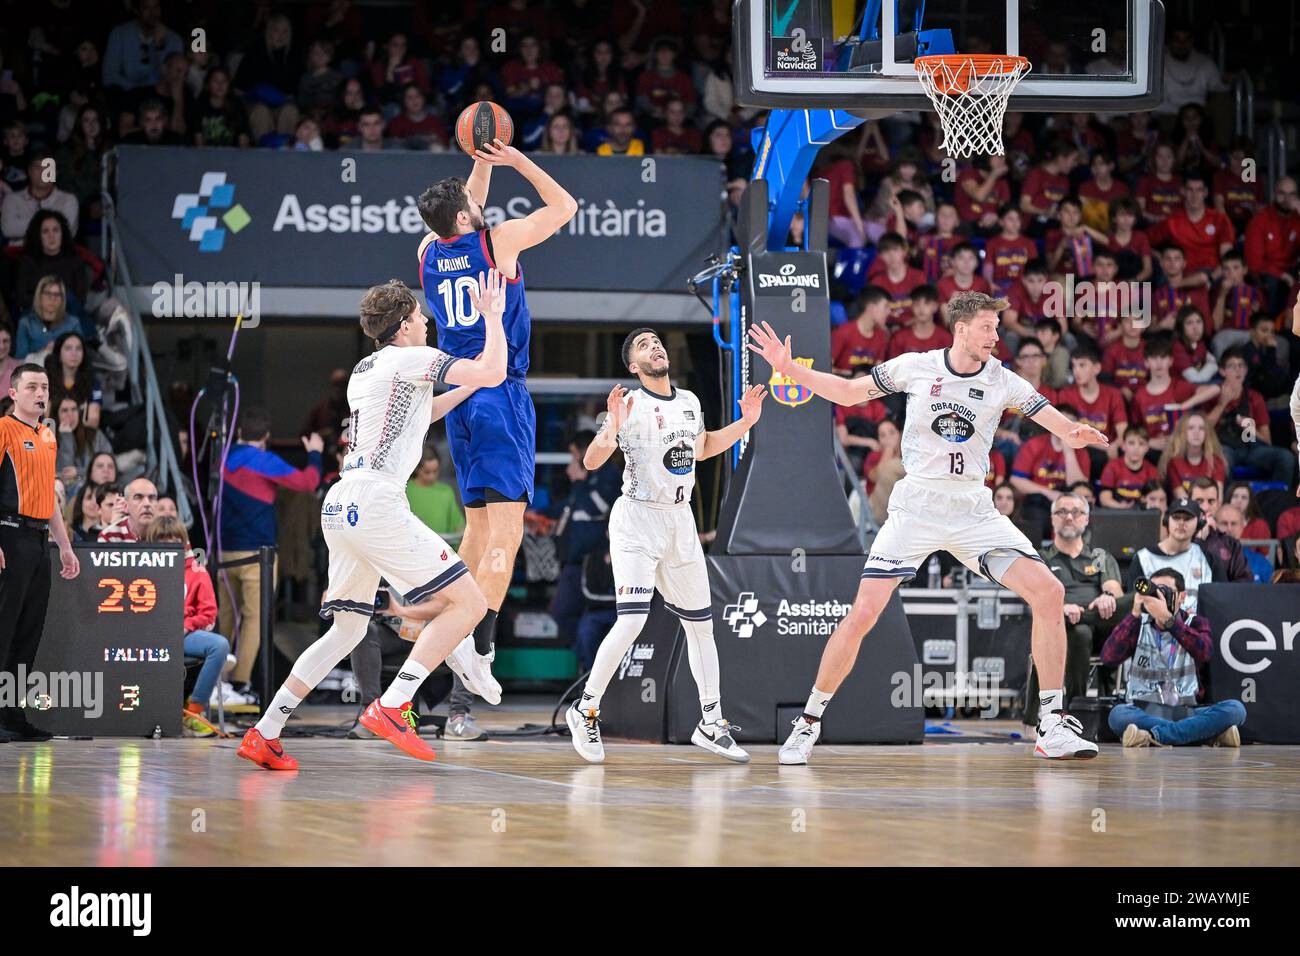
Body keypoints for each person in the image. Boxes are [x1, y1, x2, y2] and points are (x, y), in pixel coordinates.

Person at [748, 291, 1109, 763]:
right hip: (917, 507)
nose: (996, 336)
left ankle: (1052, 724)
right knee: (862, 615)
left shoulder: (1001, 378)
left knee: (1049, 592)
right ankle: (808, 721)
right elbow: (849, 392)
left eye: (997, 328)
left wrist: (1072, 432)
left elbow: (1048, 416)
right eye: (987, 327)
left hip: (973, 511)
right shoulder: (915, 366)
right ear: (961, 328)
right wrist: (788, 367)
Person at [237, 274, 507, 770]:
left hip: (341, 503)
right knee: (467, 600)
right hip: (376, 501)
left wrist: (465, 393)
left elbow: (418, 417)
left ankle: (265, 730)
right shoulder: (411, 358)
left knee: (344, 630)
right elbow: (491, 370)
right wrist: (492, 315)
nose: (426, 322)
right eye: (420, 318)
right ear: (404, 325)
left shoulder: (369, 367)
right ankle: (395, 703)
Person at [415, 137, 577, 673]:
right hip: (499, 390)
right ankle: (475, 645)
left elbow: (466, 204)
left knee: (476, 530)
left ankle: (449, 631)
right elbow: (565, 208)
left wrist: (481, 164)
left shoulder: (428, 252)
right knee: (507, 530)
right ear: (466, 215)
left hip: (457, 391)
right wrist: (519, 161)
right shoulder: (498, 242)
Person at [568, 328, 766, 764]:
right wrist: (609, 430)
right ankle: (585, 709)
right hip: (637, 519)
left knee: (702, 626)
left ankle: (711, 723)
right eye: (643, 345)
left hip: (679, 521)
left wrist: (745, 423)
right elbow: (591, 461)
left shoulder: (690, 401)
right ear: (633, 366)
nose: (655, 346)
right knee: (632, 621)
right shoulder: (629, 404)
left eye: (657, 341)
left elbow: (703, 447)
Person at [218, 407, 324, 702]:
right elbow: (307, 483)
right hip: (258, 554)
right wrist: (314, 453)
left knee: (225, 617)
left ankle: (217, 681)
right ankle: (240, 684)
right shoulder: (264, 461)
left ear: (239, 433)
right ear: (265, 437)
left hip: (224, 551)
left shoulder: (223, 460)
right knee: (255, 619)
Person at [0, 364, 80, 742]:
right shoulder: (3, 429)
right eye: (31, 386)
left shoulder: (48, 436)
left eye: (44, 386)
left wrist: (64, 546)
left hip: (38, 540)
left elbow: (49, 497)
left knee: (29, 631)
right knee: (3, 626)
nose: (39, 392)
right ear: (14, 393)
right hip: (9, 534)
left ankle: (13, 714)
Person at [1104, 569, 1244, 748]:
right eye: (1154, 591)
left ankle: (1152, 736)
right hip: (1143, 709)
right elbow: (1108, 658)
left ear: (1182, 597)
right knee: (1118, 715)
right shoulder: (1138, 624)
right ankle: (1205, 735)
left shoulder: (1195, 622)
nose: (1158, 597)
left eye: (1165, 591)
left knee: (1235, 710)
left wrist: (1169, 621)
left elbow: (1205, 652)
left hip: (1186, 710)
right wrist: (1134, 614)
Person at [1024, 492, 1131, 725]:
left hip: (1102, 626)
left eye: (1076, 512)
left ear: (1086, 519)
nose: (1069, 517)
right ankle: (1075, 710)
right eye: (1062, 512)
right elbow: (1033, 598)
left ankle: (1083, 616)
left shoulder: (1099, 556)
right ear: (1052, 519)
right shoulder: (1040, 557)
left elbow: (1114, 589)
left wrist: (1108, 597)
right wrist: (1060, 608)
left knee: (1133, 600)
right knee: (1078, 632)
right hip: (1060, 627)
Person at [145, 516, 229, 737]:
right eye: (163, 542)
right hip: (148, 634)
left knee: (219, 645)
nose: (170, 547)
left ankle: (193, 712)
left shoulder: (197, 571)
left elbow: (209, 614)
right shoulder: (142, 568)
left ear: (184, 543)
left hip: (183, 635)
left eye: (175, 542)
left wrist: (185, 626)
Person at [1130, 498, 1214, 611]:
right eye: (1176, 517)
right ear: (1166, 520)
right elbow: (1135, 603)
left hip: (1197, 626)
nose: (1181, 523)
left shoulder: (1208, 558)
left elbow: (1219, 599)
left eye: (1188, 518)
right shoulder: (1143, 558)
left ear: (1199, 523)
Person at [407, 453, 465, 547]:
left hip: (442, 549)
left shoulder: (446, 491)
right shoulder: (405, 490)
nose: (432, 476)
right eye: (427, 472)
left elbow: (458, 523)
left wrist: (461, 531)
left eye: (435, 471)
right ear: (417, 469)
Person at [98, 476, 157, 542]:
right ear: (126, 506)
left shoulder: (166, 532)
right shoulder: (109, 536)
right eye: (138, 497)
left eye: (152, 497)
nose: (147, 504)